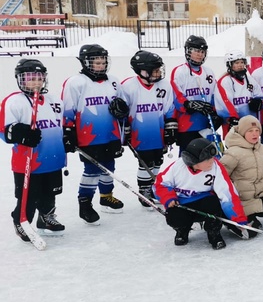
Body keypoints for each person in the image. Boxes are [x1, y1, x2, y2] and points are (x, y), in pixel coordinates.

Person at [2, 59, 67, 242]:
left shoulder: (55, 101)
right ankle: (22, 220)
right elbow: (4, 131)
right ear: (20, 80)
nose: (35, 82)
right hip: (28, 161)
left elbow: (60, 125)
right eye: (30, 78)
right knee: (29, 195)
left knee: (50, 192)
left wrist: (68, 138)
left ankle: (46, 218)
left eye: (39, 77)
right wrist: (20, 134)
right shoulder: (14, 101)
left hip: (53, 157)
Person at [62, 44, 128, 222]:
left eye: (103, 62)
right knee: (92, 170)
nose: (100, 65)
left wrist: (123, 112)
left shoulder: (113, 81)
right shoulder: (75, 82)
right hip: (88, 136)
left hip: (111, 133)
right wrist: (68, 132)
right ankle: (85, 203)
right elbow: (67, 109)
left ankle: (106, 197)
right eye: (96, 62)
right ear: (85, 62)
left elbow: (121, 104)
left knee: (109, 167)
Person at [154, 138, 248, 249]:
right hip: (182, 203)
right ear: (193, 160)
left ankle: (214, 234)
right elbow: (159, 184)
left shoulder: (216, 168)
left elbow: (227, 194)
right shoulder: (177, 167)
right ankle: (182, 231)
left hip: (204, 202)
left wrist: (239, 220)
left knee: (213, 203)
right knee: (174, 216)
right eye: (207, 159)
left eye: (212, 157)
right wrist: (168, 198)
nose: (212, 161)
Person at [118, 51, 177, 206]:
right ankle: (144, 190)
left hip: (158, 131)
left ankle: (151, 187)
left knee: (158, 160)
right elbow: (122, 111)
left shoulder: (164, 85)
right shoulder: (128, 86)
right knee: (145, 161)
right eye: (155, 70)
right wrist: (126, 130)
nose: (158, 73)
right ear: (142, 71)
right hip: (140, 133)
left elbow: (169, 108)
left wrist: (170, 127)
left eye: (159, 69)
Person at [220, 115, 263, 229]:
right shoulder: (233, 153)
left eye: (257, 130)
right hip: (241, 199)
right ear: (243, 133)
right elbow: (221, 176)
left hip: (258, 194)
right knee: (251, 232)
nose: (254, 134)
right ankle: (235, 218)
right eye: (250, 131)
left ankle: (252, 214)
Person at [170, 35, 220, 154]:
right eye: (196, 51)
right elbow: (176, 95)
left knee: (207, 158)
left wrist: (215, 112)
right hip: (187, 125)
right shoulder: (180, 71)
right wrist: (189, 104)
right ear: (188, 51)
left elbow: (215, 95)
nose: (200, 54)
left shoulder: (209, 72)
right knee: (187, 159)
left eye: (202, 51)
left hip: (205, 124)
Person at [215, 50, 260, 132]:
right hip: (233, 126)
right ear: (230, 65)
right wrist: (233, 118)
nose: (240, 65)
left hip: (250, 125)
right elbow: (224, 103)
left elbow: (259, 95)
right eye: (236, 63)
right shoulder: (225, 81)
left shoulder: (249, 80)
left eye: (242, 62)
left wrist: (259, 101)